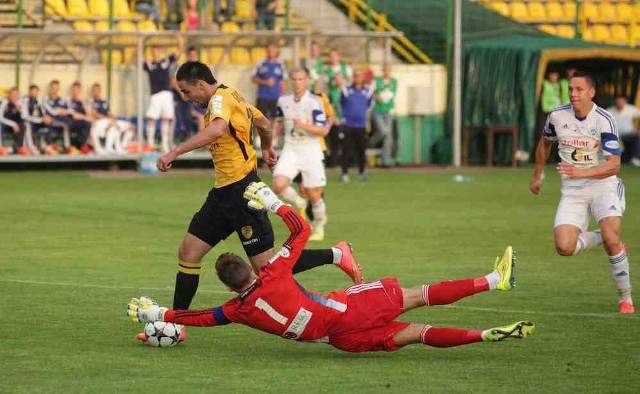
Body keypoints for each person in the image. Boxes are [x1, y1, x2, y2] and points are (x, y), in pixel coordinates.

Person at [128, 181, 535, 352]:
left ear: (231, 287)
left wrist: (158, 313)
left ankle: (483, 335)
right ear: (251, 270)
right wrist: (273, 202)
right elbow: (301, 230)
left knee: (416, 334)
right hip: (347, 310)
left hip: (339, 341)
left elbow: (198, 317)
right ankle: (494, 280)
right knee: (419, 296)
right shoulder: (274, 272)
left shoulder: (236, 311)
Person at [151, 61, 363, 341]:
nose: (187, 98)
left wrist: (173, 152)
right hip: (223, 193)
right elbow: (262, 121)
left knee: (267, 269)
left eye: (187, 92)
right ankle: (174, 326)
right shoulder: (234, 96)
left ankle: (336, 255)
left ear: (201, 84)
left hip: (245, 192)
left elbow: (216, 130)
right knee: (188, 252)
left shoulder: (219, 100)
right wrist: (266, 146)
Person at [529, 71, 634, 314]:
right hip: (573, 191)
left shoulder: (604, 119)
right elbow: (545, 143)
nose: (574, 94)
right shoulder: (557, 116)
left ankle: (625, 299)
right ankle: (607, 237)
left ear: (591, 92)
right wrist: (537, 175)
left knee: (612, 242)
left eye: (579, 89)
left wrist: (581, 172)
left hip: (604, 186)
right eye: (571, 90)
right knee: (564, 247)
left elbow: (614, 165)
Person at [272, 67, 329, 241]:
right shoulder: (283, 100)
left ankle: (319, 226)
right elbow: (279, 122)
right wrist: (272, 141)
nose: (297, 83)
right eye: (294, 79)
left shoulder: (315, 102)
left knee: (314, 194)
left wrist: (303, 126)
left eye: (300, 79)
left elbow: (323, 130)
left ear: (307, 81)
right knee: (278, 185)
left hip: (310, 150)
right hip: (290, 149)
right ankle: (299, 202)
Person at [143, 45, 180, 153]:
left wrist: (179, 40)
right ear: (151, 52)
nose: (156, 53)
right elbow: (135, 62)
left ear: (160, 51)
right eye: (153, 51)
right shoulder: (149, 64)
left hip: (167, 94)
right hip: (155, 94)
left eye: (157, 51)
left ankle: (165, 144)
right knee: (152, 118)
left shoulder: (166, 61)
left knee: (166, 118)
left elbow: (178, 52)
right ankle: (150, 143)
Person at [338, 68, 374, 183]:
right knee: (346, 150)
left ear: (363, 78)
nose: (358, 78)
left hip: (361, 124)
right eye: (356, 75)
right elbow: (341, 103)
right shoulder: (346, 90)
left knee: (361, 150)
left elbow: (370, 105)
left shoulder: (368, 91)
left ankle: (362, 172)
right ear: (353, 77)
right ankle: (344, 173)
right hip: (348, 124)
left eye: (360, 75)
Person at [250, 42, 288, 146]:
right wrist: (265, 82)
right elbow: (253, 78)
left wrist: (284, 95)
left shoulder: (280, 64)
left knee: (276, 119)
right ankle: (258, 141)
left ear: (276, 51)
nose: (271, 51)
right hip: (263, 96)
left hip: (276, 96)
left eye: (273, 49)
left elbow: (282, 81)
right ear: (266, 50)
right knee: (260, 118)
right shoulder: (260, 63)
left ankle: (273, 140)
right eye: (269, 49)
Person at [324, 48, 353, 167]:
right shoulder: (331, 93)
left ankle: (349, 162)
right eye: (336, 79)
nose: (338, 80)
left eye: (340, 78)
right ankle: (333, 162)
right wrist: (334, 118)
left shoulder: (347, 92)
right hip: (335, 119)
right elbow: (330, 106)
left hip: (346, 119)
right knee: (334, 137)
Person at [88, 83, 134, 154]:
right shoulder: (91, 101)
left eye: (98, 90)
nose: (96, 92)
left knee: (130, 126)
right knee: (113, 126)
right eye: (95, 90)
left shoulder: (104, 101)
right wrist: (108, 119)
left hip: (109, 120)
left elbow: (109, 113)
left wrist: (113, 118)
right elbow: (95, 114)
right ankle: (112, 147)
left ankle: (123, 146)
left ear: (100, 91)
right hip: (99, 122)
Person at [369, 64, 397, 168]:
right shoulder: (376, 80)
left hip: (388, 111)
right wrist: (376, 95)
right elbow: (371, 92)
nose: (387, 72)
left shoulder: (394, 82)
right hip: (377, 110)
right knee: (384, 131)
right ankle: (370, 143)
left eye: (389, 70)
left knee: (388, 137)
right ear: (383, 71)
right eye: (385, 70)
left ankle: (386, 161)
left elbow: (391, 94)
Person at [42, 80, 74, 154]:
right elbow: (51, 112)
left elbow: (71, 111)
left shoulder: (63, 100)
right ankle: (67, 147)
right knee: (66, 124)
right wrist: (59, 111)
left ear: (58, 89)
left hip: (61, 121)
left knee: (68, 122)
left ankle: (64, 147)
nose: (55, 90)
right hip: (51, 122)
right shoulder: (46, 100)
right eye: (53, 88)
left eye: (56, 88)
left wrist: (62, 110)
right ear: (50, 88)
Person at [607, 95, 640, 166]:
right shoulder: (610, 111)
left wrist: (638, 129)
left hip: (628, 134)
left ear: (625, 102)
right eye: (618, 102)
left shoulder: (630, 109)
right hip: (615, 135)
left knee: (638, 137)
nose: (620, 103)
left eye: (621, 102)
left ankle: (636, 158)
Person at [21, 84, 53, 155]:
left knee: (49, 122)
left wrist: (46, 117)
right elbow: (24, 116)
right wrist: (40, 119)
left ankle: (48, 147)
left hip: (39, 121)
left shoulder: (40, 100)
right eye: (32, 91)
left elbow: (47, 111)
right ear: (29, 92)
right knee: (27, 124)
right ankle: (32, 148)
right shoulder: (25, 101)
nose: (34, 93)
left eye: (36, 92)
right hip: (30, 122)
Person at [0, 87, 29, 155]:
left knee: (25, 124)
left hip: (17, 127)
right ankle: (0, 148)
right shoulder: (4, 103)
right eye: (12, 95)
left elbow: (25, 116)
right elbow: (0, 117)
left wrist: (20, 109)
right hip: (6, 126)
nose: (14, 97)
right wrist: (12, 124)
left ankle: (21, 147)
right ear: (9, 95)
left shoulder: (21, 103)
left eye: (16, 95)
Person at [68, 82, 94, 154]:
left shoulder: (83, 100)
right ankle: (82, 145)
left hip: (82, 122)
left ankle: (86, 146)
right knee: (86, 123)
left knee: (89, 123)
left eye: (77, 90)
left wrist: (83, 102)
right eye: (74, 89)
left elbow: (89, 114)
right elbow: (74, 116)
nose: (75, 91)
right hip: (71, 122)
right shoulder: (69, 100)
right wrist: (85, 117)